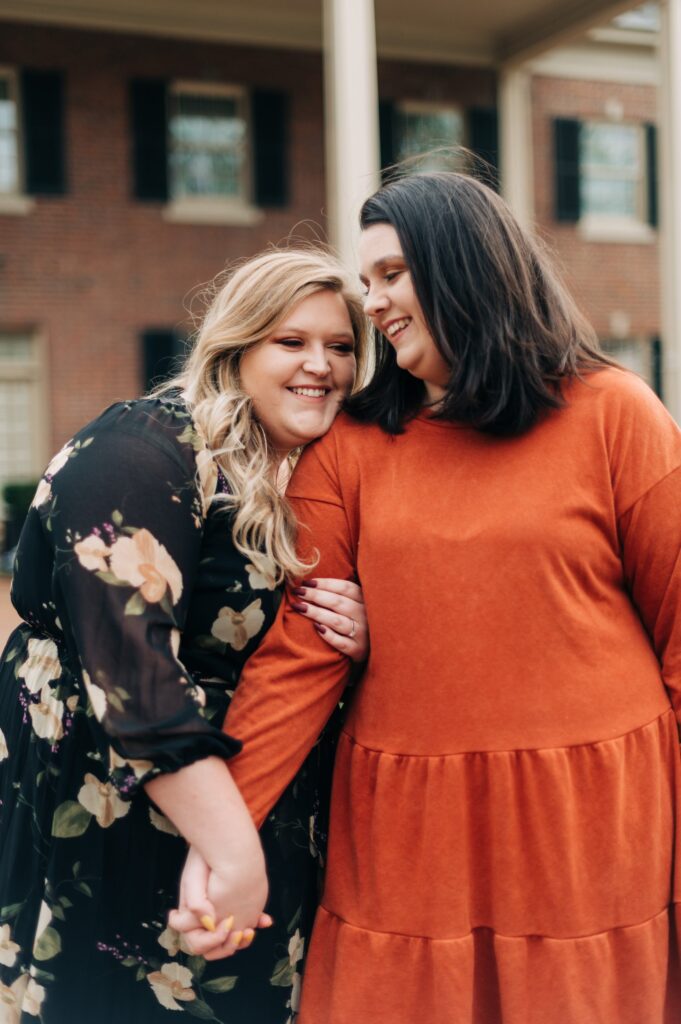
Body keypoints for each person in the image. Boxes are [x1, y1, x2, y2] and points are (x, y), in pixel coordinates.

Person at [178, 172, 681, 1024]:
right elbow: (299, 654)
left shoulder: (615, 413)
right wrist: (220, 837)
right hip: (411, 823)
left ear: (464, 267)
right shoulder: (354, 446)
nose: (370, 302)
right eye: (366, 280)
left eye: (390, 275)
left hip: (590, 812)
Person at [0, 247, 371, 1024]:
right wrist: (232, 853)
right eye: (290, 341)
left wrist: (364, 631)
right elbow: (132, 675)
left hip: (247, 804)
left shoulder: (305, 476)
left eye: (340, 347)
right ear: (237, 346)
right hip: (110, 815)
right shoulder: (144, 449)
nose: (321, 366)